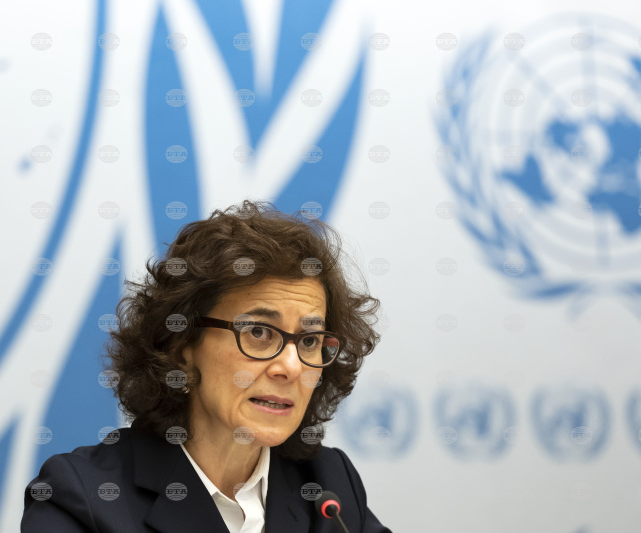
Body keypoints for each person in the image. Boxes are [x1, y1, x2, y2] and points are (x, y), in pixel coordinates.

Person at [21, 200, 391, 532]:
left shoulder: (328, 486)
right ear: (182, 349)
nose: (291, 367)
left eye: (309, 341)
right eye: (259, 332)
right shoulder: (83, 498)